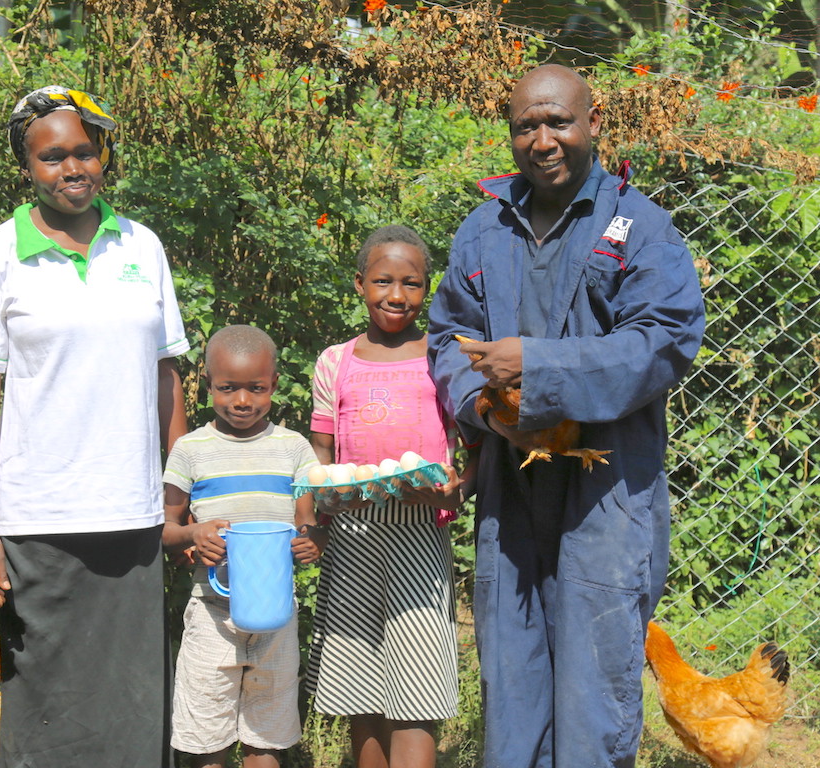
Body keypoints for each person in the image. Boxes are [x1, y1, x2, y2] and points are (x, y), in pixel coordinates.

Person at [426, 64, 706, 768]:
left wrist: (541, 371)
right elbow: (446, 337)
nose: (542, 139)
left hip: (606, 493)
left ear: (595, 121)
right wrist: (488, 413)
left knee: (594, 697)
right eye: (526, 126)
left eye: (558, 121)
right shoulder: (482, 230)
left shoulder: (640, 227)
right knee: (512, 684)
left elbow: (664, 339)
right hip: (508, 489)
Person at [0, 86, 189, 768]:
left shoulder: (141, 245)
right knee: (45, 713)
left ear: (104, 155)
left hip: (132, 516)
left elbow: (165, 376)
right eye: (52, 156)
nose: (73, 167)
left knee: (133, 707)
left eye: (86, 151)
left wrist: (180, 486)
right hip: (40, 520)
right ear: (27, 166)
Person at [306, 225, 467, 768]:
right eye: (382, 281)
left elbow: (472, 448)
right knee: (360, 683)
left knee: (417, 682)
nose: (396, 296)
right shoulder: (335, 361)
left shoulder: (443, 358)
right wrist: (323, 509)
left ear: (428, 288)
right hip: (353, 535)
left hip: (420, 536)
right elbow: (321, 454)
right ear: (359, 284)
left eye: (411, 284)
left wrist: (457, 488)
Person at [162, 324, 324, 768]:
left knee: (267, 736)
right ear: (207, 385)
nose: (242, 400)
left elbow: (307, 525)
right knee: (204, 735)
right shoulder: (191, 450)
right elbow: (166, 527)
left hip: (277, 616)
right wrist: (194, 535)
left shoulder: (293, 449)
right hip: (212, 612)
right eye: (227, 387)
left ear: (274, 384)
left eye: (256, 388)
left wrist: (312, 543)